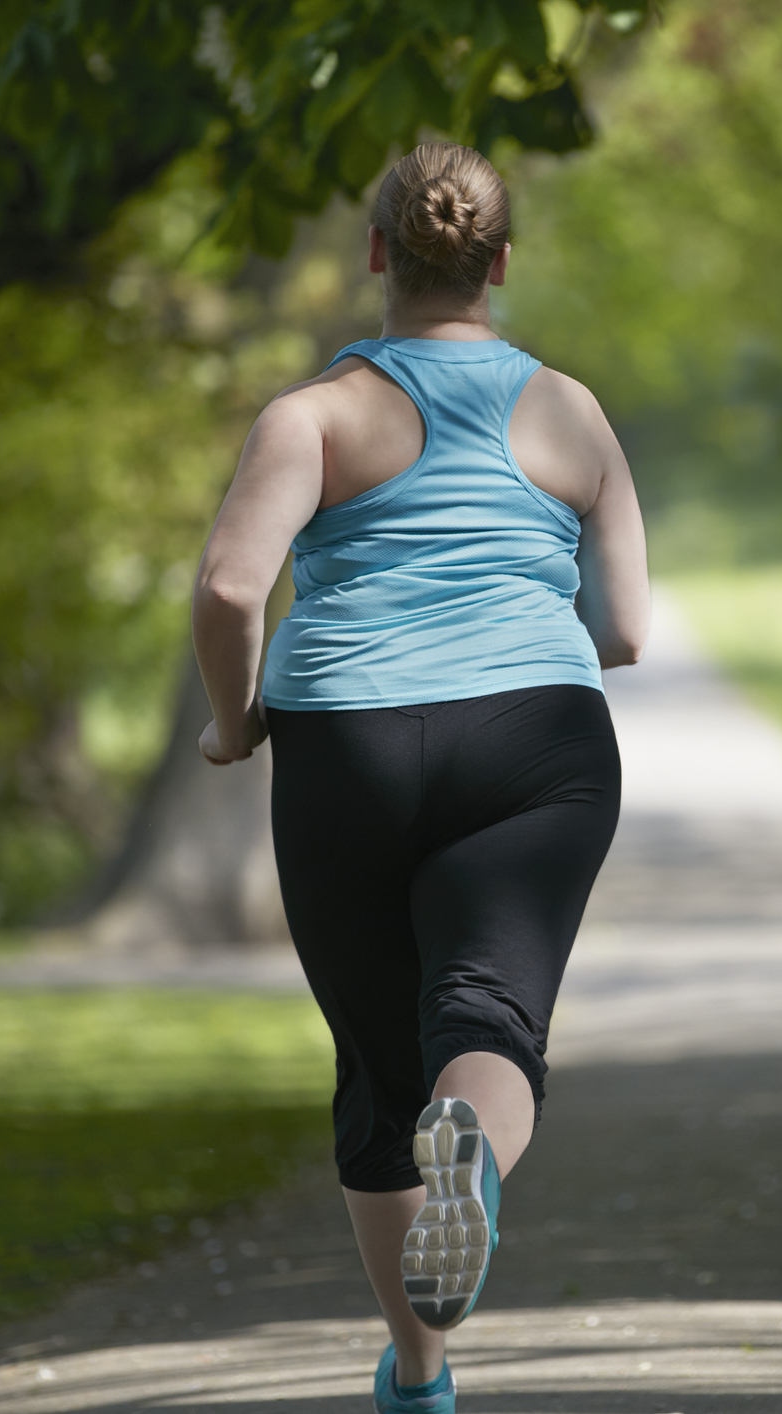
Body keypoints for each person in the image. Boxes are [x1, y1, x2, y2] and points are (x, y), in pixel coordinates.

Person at [189, 141, 651, 1414]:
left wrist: (236, 727)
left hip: (348, 744)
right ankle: (479, 1171)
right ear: (499, 264)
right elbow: (626, 631)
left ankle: (423, 1377)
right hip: (536, 742)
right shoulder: (570, 411)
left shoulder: (314, 415)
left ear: (380, 253)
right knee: (487, 1019)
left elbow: (234, 586)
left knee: (382, 1073)